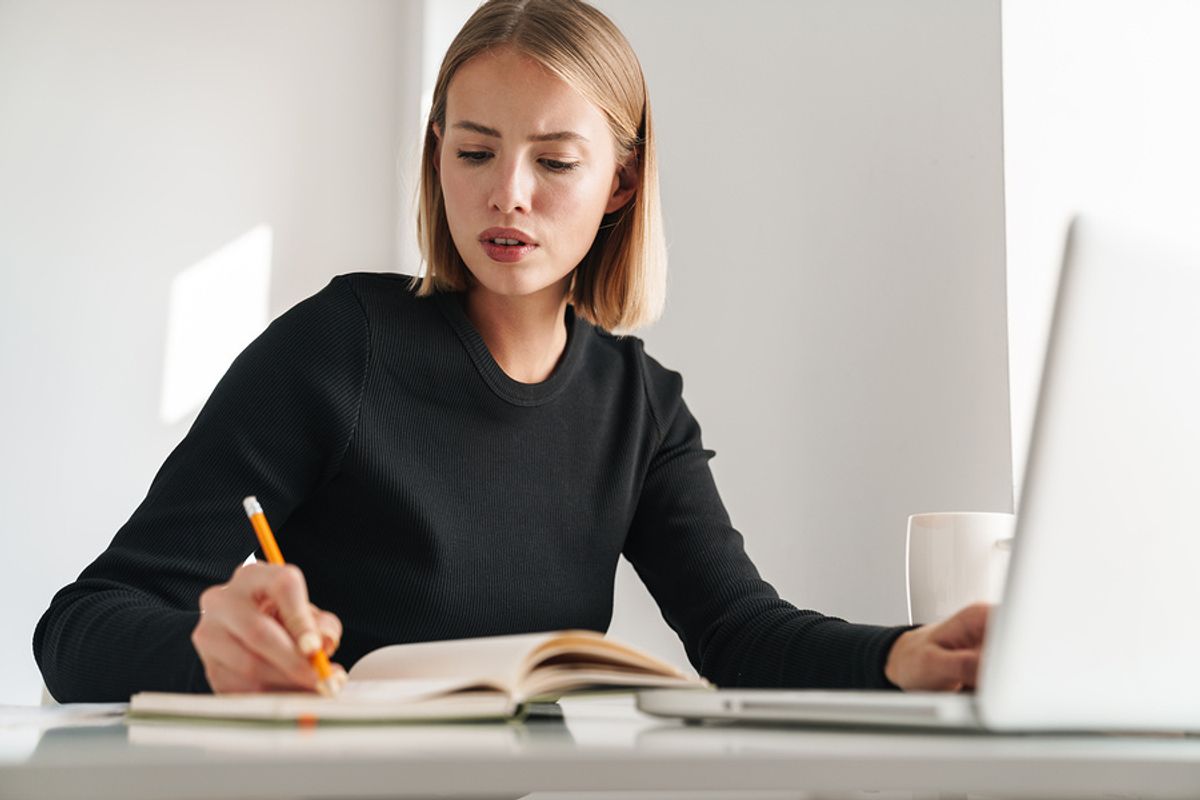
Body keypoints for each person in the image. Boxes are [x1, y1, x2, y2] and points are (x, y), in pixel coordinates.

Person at [34, 0, 988, 703]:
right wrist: (207, 653)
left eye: (556, 162)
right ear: (437, 153)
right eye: (475, 152)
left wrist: (902, 656)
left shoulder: (638, 408)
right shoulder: (339, 348)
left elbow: (738, 632)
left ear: (621, 181)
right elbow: (77, 627)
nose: (509, 196)